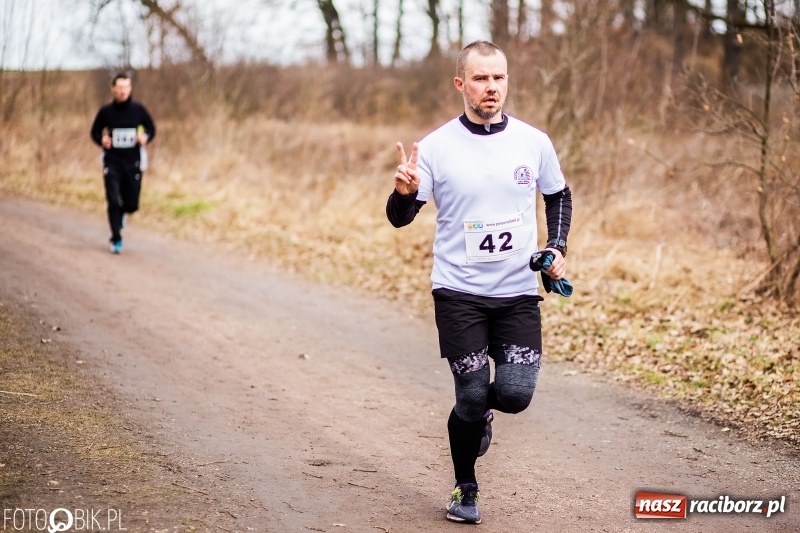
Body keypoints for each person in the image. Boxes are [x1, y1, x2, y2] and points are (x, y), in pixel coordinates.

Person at [386, 40, 572, 524]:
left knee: (514, 394)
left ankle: (482, 416)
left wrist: (557, 248)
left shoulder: (533, 141)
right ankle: (464, 488)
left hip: (516, 292)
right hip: (458, 292)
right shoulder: (437, 146)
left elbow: (558, 195)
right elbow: (401, 218)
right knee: (469, 395)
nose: (491, 87)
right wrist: (401, 193)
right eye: (481, 78)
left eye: (499, 78)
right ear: (461, 84)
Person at [90, 72, 156, 254]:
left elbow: (151, 129)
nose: (123, 91)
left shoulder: (138, 110)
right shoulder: (106, 112)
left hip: (133, 162)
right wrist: (101, 140)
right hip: (112, 162)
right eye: (119, 87)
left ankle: (122, 214)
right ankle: (116, 238)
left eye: (126, 87)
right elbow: (95, 132)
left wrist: (145, 137)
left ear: (130, 88)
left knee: (132, 204)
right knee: (112, 199)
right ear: (113, 89)